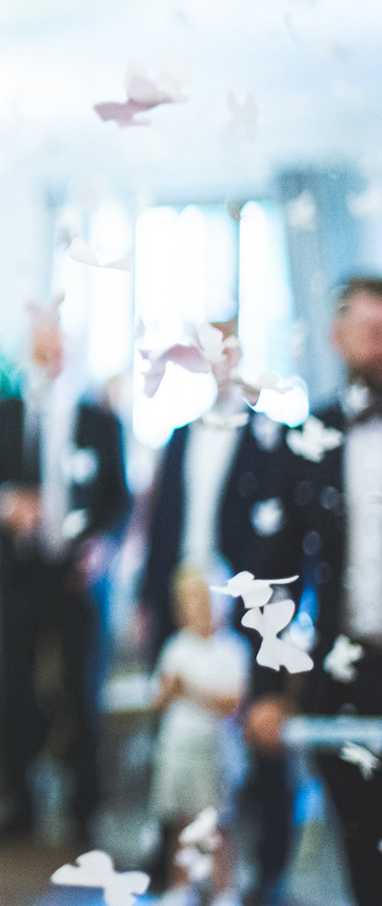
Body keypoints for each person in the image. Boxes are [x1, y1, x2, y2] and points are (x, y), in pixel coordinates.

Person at [138, 319, 294, 902]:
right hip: (183, 593)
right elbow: (162, 522)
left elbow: (280, 535)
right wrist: (148, 599)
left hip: (245, 603)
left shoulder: (269, 438)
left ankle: (264, 862)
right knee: (176, 727)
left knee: (252, 723)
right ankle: (175, 863)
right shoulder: (181, 435)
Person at [0, 309, 130, 844]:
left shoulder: (99, 419)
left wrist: (103, 545)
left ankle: (85, 810)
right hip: (20, 571)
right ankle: (20, 804)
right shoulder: (2, 412)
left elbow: (119, 500)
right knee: (14, 686)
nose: (52, 357)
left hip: (77, 574)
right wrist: (5, 503)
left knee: (81, 690)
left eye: (59, 348)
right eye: (43, 349)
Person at [245, 276, 382, 906]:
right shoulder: (311, 437)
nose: (375, 338)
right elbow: (277, 572)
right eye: (364, 325)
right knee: (363, 852)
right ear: (336, 335)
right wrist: (268, 689)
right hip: (348, 673)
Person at [149, 566, 250, 906]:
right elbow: (159, 697)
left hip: (214, 751)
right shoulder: (175, 647)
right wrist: (169, 690)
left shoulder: (233, 648)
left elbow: (232, 702)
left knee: (218, 824)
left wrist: (189, 688)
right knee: (181, 820)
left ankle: (224, 888)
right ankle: (181, 885)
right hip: (178, 748)